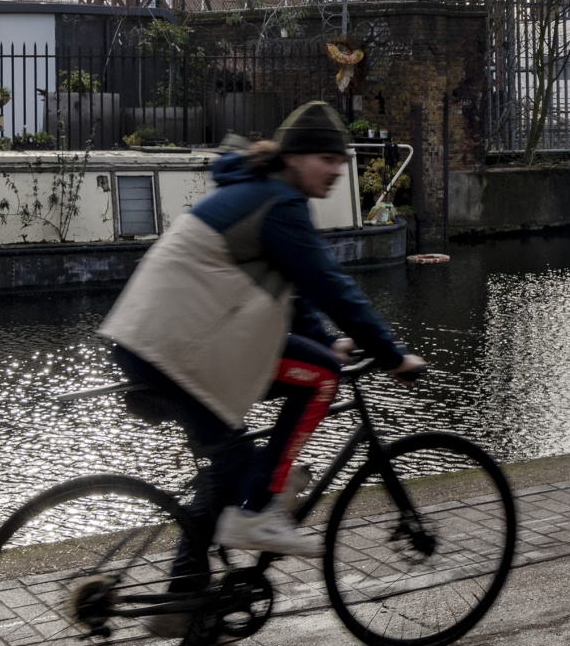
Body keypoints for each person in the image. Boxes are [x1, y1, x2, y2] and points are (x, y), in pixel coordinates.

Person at [98, 99, 425, 599]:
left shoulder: (260, 193)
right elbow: (330, 284)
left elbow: (289, 289)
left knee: (233, 462)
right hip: (175, 347)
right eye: (328, 159)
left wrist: (324, 341)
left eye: (342, 160)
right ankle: (259, 512)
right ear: (294, 158)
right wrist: (391, 355)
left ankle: (183, 600)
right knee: (319, 379)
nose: (339, 170)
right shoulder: (279, 202)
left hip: (155, 340)